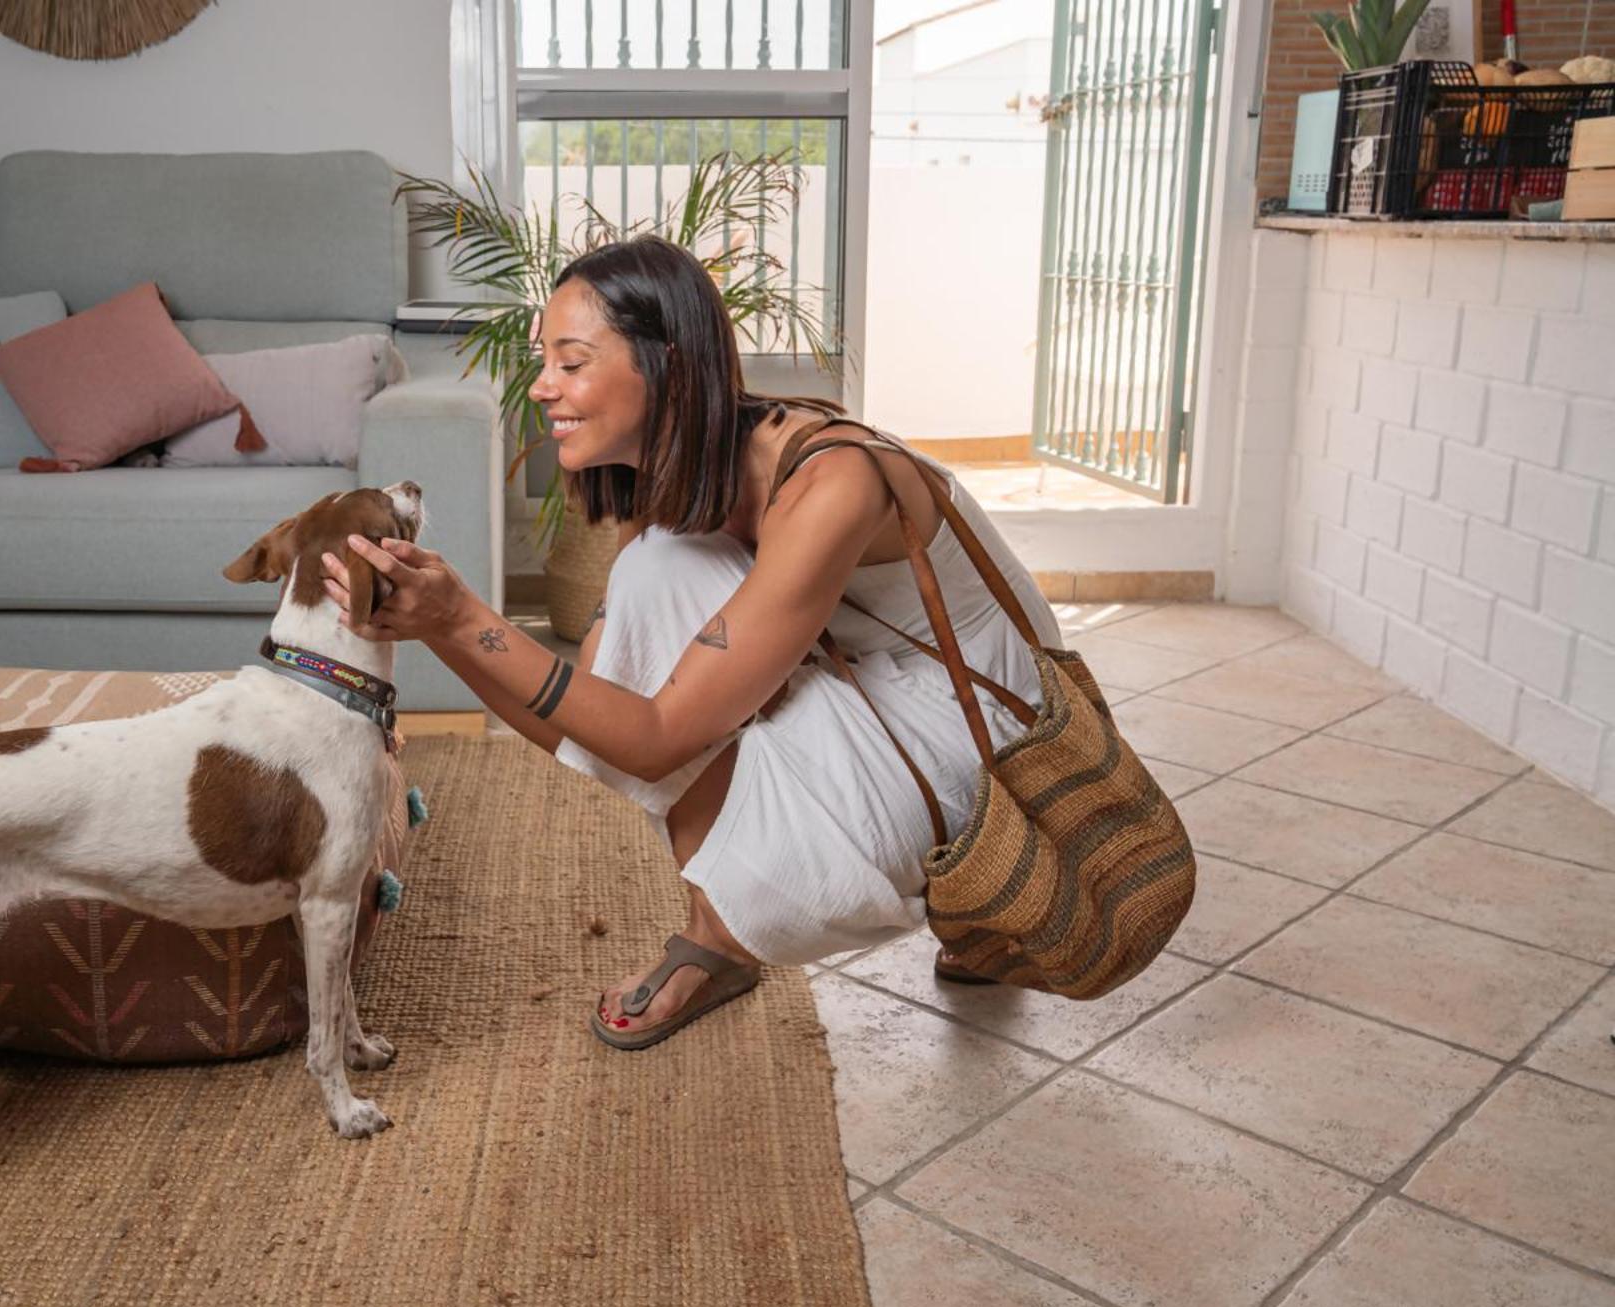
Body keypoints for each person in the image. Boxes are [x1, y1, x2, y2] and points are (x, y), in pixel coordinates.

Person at [321, 234, 1062, 1050]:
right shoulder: (684, 469)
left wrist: (463, 616)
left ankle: (765, 923)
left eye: (572, 362)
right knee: (654, 580)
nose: (542, 388)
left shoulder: (830, 481)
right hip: (880, 676)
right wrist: (437, 627)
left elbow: (655, 738)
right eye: (546, 361)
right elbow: (595, 728)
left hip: (982, 728)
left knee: (665, 616)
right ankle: (721, 929)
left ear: (664, 365)